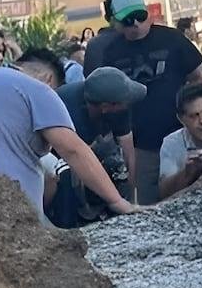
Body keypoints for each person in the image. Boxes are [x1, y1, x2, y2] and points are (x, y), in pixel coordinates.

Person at [0, 62, 141, 224]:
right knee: (62, 172)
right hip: (15, 196)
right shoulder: (40, 91)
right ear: (48, 78)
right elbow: (73, 151)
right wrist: (117, 202)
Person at [98, 0, 202, 204]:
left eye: (140, 17)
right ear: (116, 23)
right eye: (128, 21)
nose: (136, 24)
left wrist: (195, 116)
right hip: (142, 145)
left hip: (181, 135)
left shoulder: (172, 39)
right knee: (148, 203)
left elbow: (201, 79)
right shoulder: (112, 51)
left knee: (194, 194)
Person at [44, 67, 148, 226]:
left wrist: (132, 200)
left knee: (116, 164)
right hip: (52, 150)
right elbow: (75, 156)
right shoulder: (68, 109)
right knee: (65, 175)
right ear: (106, 106)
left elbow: (128, 152)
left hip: (89, 145)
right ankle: (67, 225)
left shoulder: (119, 106)